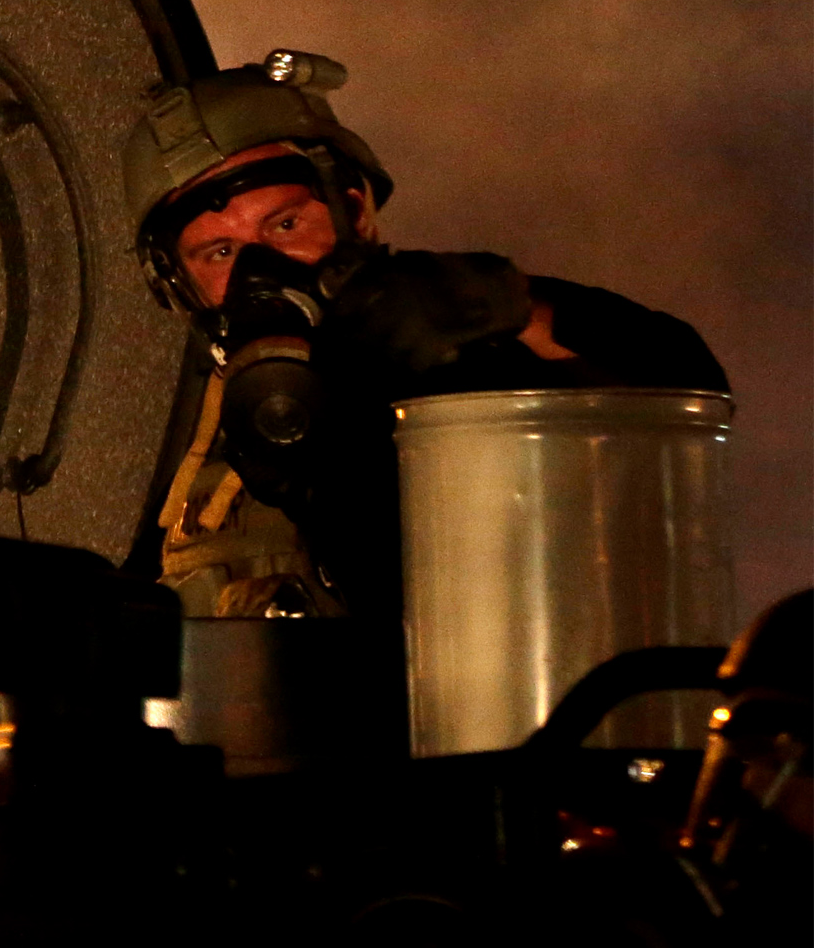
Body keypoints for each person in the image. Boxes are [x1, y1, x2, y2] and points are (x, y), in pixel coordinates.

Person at [117, 49, 727, 620]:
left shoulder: (457, 356)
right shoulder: (181, 434)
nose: (260, 272)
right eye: (220, 252)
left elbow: (678, 390)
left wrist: (502, 305)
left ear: (355, 213)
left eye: (285, 222)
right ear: (179, 286)